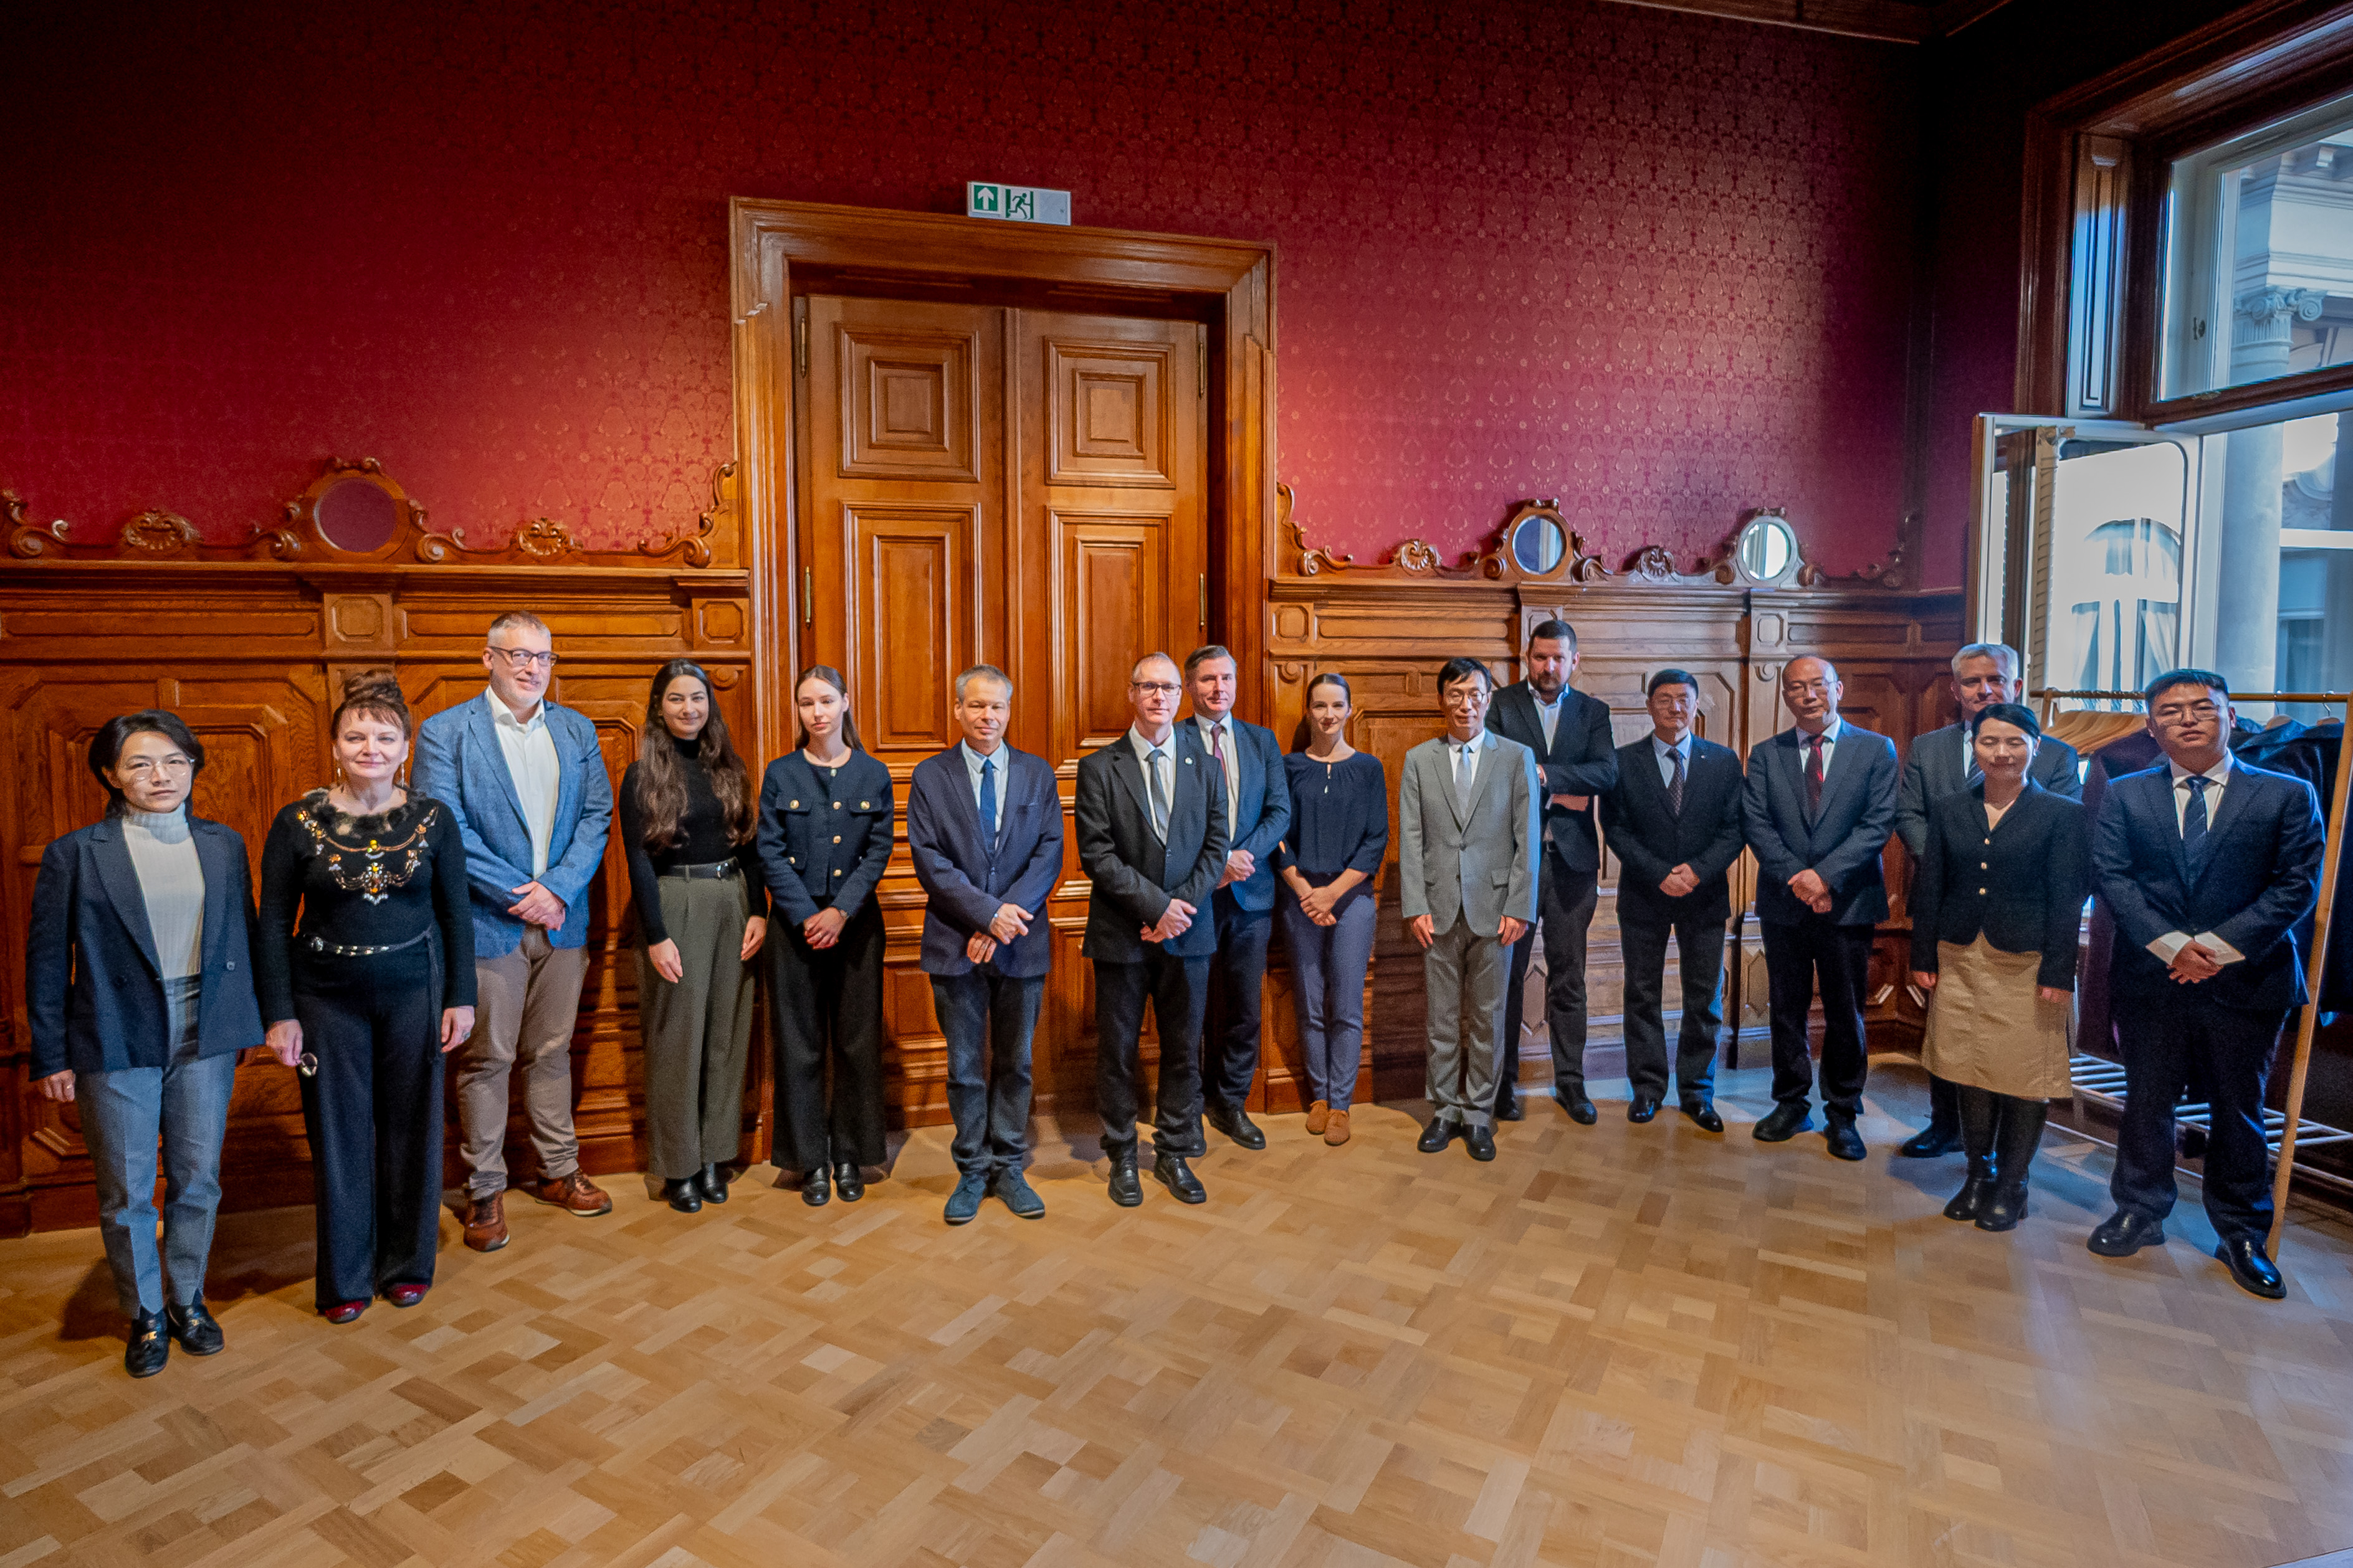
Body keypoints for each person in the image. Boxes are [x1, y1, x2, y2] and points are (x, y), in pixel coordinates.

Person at [25, 712, 264, 1376]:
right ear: (111, 774)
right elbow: (47, 961)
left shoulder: (223, 844)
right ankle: (145, 1313)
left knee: (198, 1178)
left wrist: (250, 1020)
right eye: (140, 763)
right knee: (127, 1189)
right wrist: (52, 1053)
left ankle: (188, 1298)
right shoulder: (76, 853)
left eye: (174, 761)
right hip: (113, 1033)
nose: (161, 776)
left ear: (193, 768)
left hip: (204, 1031)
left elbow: (243, 936)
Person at [2090, 669, 2324, 1300]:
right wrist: (2172, 946)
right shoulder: (2126, 794)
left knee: (2238, 1109)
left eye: (2202, 707)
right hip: (2151, 976)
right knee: (2146, 1101)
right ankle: (2139, 1210)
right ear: (2151, 726)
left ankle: (2241, 1233)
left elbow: (2296, 884)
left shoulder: (2287, 793)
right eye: (2170, 711)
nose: (2187, 718)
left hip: (2249, 979)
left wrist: (2215, 951)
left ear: (2230, 716)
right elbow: (2112, 877)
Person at [257, 673, 476, 1323]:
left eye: (384, 737)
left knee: (413, 1130)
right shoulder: (296, 822)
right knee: (339, 1135)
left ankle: (407, 1266)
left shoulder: (434, 820)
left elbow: (456, 915)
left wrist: (461, 998)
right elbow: (272, 922)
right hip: (325, 1000)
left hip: (416, 992)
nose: (370, 748)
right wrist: (279, 1013)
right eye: (356, 736)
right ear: (336, 746)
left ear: (405, 748)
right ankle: (346, 1277)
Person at [414, 611, 616, 1252]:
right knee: (488, 1059)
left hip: (563, 920)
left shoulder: (576, 729)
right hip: (485, 922)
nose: (533, 668)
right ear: (489, 658)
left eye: (543, 657)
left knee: (552, 1051)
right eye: (518, 655)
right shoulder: (446, 732)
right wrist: (519, 895)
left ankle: (558, 1170)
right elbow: (443, 825)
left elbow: (597, 815)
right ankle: (484, 1189)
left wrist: (558, 890)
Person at [1892, 642, 2082, 1158]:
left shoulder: (2057, 755)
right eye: (1973, 681)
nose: (1985, 689)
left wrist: (1988, 857)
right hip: (1951, 911)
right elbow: (1910, 813)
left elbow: (2066, 844)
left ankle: (2005, 1156)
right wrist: (1948, 856)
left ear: (2015, 684)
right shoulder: (1928, 747)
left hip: (2023, 925)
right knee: (1953, 1037)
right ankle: (1946, 1126)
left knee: (2015, 1049)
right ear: (1956, 690)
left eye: (1995, 679)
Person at [1908, 705, 2089, 1232]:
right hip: (1960, 956)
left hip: (2029, 962)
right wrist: (1923, 955)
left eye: (2014, 742)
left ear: (2036, 747)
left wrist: (2059, 971)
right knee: (1968, 1067)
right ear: (1975, 747)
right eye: (1989, 742)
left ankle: (2013, 1184)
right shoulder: (1950, 809)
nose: (2001, 752)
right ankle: (1978, 1173)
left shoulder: (2061, 813)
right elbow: (1931, 885)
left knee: (2024, 1074)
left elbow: (2068, 898)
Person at [907, 665, 1064, 1223]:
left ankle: (1009, 1166)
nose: (987, 716)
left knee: (1017, 1062)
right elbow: (929, 859)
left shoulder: (1037, 773)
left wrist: (1003, 920)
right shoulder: (930, 776)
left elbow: (1049, 853)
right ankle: (972, 1170)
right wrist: (986, 915)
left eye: (997, 706)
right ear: (958, 710)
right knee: (965, 1066)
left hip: (1021, 943)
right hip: (956, 943)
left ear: (1009, 711)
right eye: (976, 705)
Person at [1074, 652, 1230, 1206]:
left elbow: (1217, 846)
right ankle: (1122, 1153)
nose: (1159, 696)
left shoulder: (1206, 765)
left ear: (1180, 696)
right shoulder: (1099, 767)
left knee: (1184, 1047)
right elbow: (1096, 853)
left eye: (1167, 687)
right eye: (1148, 686)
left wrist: (1177, 909)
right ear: (1132, 694)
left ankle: (1173, 1152)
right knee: (1117, 1051)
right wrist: (1154, 908)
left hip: (1189, 932)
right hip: (1122, 932)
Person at [619, 660, 768, 1214]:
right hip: (674, 903)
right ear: (660, 707)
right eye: (677, 698)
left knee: (726, 1033)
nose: (689, 708)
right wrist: (656, 935)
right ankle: (679, 1164)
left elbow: (749, 846)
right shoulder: (642, 775)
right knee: (677, 1040)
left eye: (698, 698)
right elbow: (637, 859)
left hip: (733, 901)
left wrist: (759, 911)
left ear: (710, 705)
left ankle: (713, 1156)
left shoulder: (729, 768)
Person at [1740, 655, 1899, 1161]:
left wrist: (1825, 877)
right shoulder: (1766, 754)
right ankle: (1791, 1103)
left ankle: (1843, 1112)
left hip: (1848, 902)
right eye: (1796, 687)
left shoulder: (1875, 749)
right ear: (1785, 695)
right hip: (1784, 902)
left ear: (1838, 688)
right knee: (1785, 1008)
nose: (1808, 695)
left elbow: (1878, 822)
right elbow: (1757, 824)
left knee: (1845, 1011)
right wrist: (1801, 879)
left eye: (1817, 685)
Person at [756, 665, 895, 1207]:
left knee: (857, 1043)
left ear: (845, 703)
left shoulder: (872, 772)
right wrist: (806, 915)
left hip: (856, 927)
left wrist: (839, 912)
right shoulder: (781, 772)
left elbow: (878, 850)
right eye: (806, 703)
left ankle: (851, 1155)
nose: (817, 712)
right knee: (800, 1044)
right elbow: (769, 850)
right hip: (795, 930)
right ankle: (809, 1158)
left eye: (826, 701)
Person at [1400, 657, 1540, 1162]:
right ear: (1442, 700)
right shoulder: (1420, 759)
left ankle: (1479, 1113)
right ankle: (1443, 1109)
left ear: (1488, 699)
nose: (1466, 704)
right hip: (1436, 909)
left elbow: (1528, 840)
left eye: (1476, 694)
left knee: (1488, 1017)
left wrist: (1520, 907)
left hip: (1497, 910)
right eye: (1456, 694)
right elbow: (1411, 837)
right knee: (1440, 1018)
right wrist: (1415, 904)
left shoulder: (1516, 757)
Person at [1597, 670, 1744, 1131]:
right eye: (1664, 699)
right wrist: (1659, 873)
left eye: (1684, 699)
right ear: (1649, 706)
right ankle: (1647, 1088)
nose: (1675, 707)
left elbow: (1735, 829)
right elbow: (1615, 828)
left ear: (1697, 705)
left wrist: (1697, 871)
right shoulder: (1623, 761)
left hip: (1705, 896)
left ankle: (1698, 1092)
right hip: (1644, 895)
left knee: (1705, 998)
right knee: (1642, 995)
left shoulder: (1724, 761)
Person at [1484, 619, 1618, 1122]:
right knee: (1507, 978)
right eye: (1541, 657)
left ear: (1574, 661)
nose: (1549, 666)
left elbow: (1606, 773)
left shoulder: (1593, 712)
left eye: (1559, 658)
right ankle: (1502, 1083)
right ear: (1528, 657)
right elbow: (1493, 771)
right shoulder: (1501, 705)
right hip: (1511, 864)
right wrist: (1566, 789)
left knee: (1569, 978)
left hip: (1571, 866)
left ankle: (1571, 1083)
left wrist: (1543, 774)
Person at [1185, 645, 1291, 1151]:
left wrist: (1242, 856)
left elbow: (1279, 811)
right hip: (1194, 896)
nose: (1218, 687)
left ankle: (1231, 1102)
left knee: (1245, 1007)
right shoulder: (1175, 738)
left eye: (1226, 677)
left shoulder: (1260, 740)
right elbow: (1170, 818)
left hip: (1251, 893)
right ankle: (1187, 1106)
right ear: (1191, 686)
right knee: (1191, 1006)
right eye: (1208, 679)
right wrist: (1216, 865)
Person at [1274, 674, 1388, 1145]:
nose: (1328, 714)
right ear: (1308, 711)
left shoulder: (1368, 768)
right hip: (1299, 895)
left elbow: (1376, 839)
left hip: (1352, 898)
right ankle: (1318, 1097)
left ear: (1349, 710)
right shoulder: (1288, 767)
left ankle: (1341, 1103)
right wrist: (1305, 889)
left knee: (1345, 1003)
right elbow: (1276, 834)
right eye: (1319, 705)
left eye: (1337, 705)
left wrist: (1331, 893)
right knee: (1308, 999)